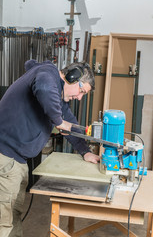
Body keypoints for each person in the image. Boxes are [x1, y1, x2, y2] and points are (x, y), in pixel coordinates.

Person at [0, 59, 100, 237]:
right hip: (5, 159)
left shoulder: (59, 97)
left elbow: (72, 126)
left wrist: (85, 152)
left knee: (13, 216)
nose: (79, 97)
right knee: (2, 223)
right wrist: (59, 121)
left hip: (17, 162)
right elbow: (45, 89)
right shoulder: (47, 75)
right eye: (81, 91)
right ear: (72, 77)